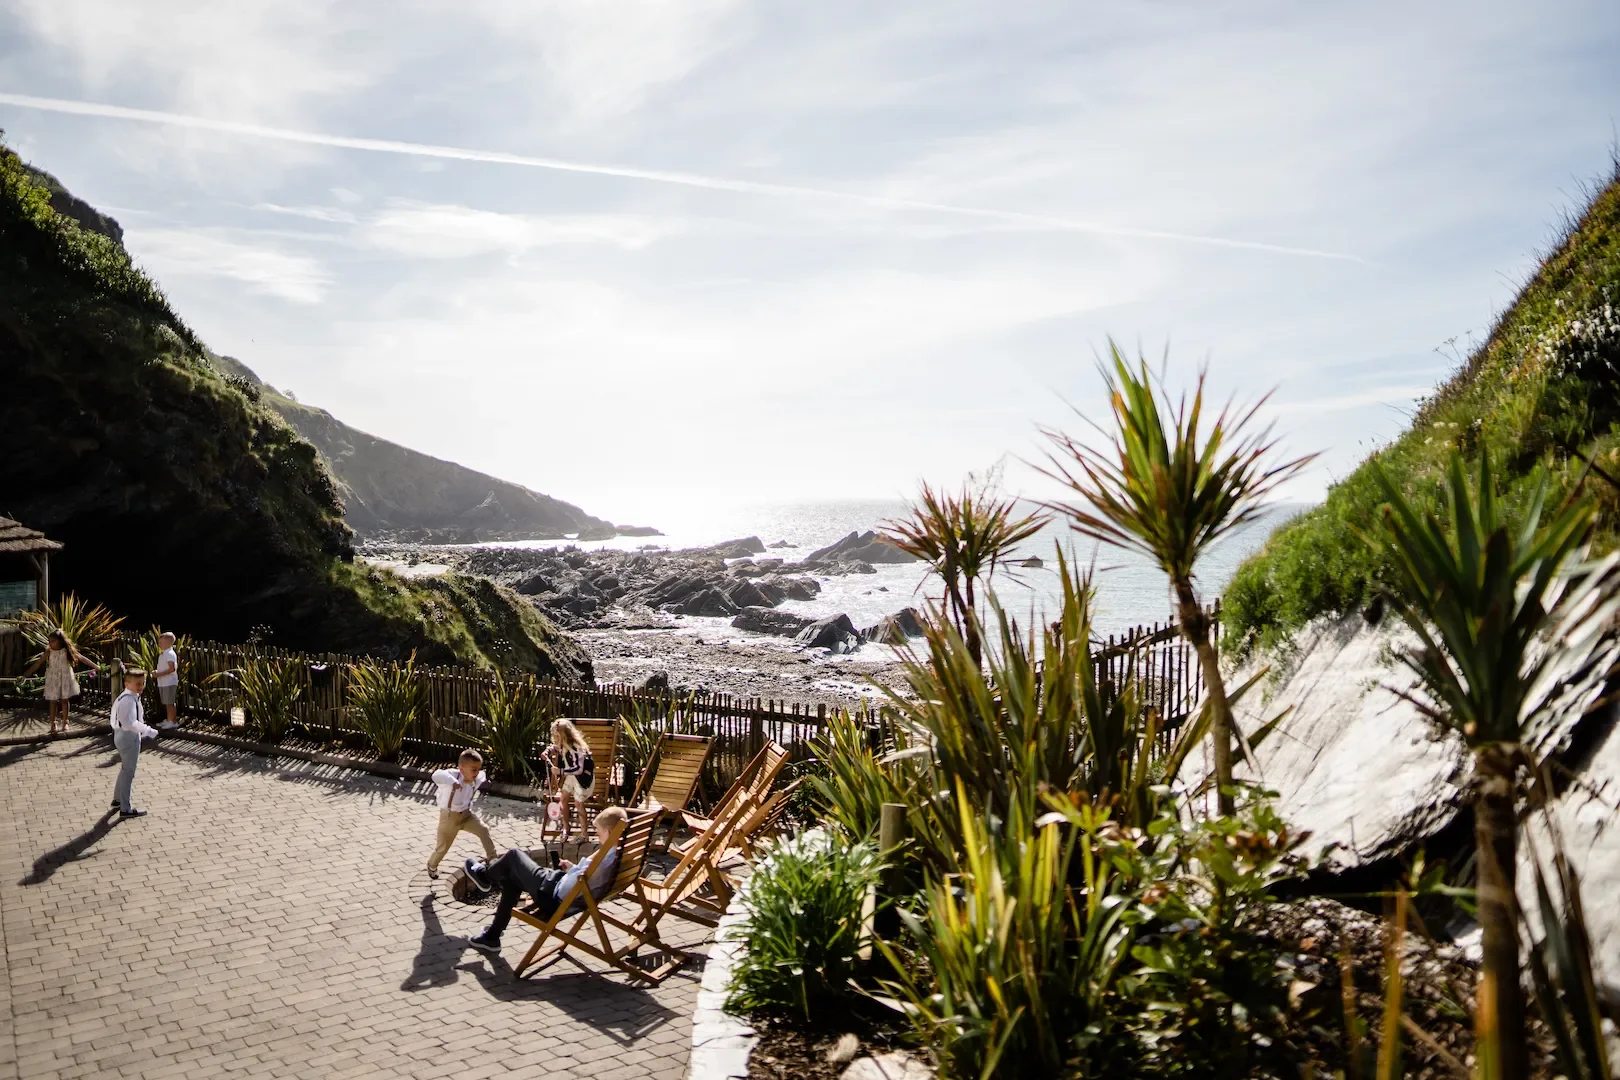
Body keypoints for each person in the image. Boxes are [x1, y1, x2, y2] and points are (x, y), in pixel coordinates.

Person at [463, 806, 628, 955]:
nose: (596, 834)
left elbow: (570, 888)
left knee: (513, 855)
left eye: (598, 831)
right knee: (511, 876)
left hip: (553, 896)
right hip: (566, 891)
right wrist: (571, 868)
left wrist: (560, 876)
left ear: (609, 832)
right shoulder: (617, 854)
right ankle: (493, 935)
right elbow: (585, 878)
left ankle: (484, 877)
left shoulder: (602, 861)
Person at [425, 749, 498, 879]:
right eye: (473, 769)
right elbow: (436, 775)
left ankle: (493, 859)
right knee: (443, 847)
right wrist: (453, 782)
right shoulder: (451, 775)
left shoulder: (476, 778)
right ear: (462, 768)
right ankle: (432, 865)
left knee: (483, 829)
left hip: (466, 815)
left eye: (478, 769)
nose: (476, 773)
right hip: (449, 818)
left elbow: (482, 775)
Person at [21, 629, 95, 734]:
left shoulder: (67, 650)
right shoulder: (49, 651)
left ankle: (65, 722)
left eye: (53, 641)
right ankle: (53, 723)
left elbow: (82, 658)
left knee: (64, 700)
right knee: (53, 701)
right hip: (53, 679)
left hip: (65, 677)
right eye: (49, 641)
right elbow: (38, 663)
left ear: (60, 641)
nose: (50, 643)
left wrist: (96, 667)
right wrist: (26, 675)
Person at [110, 667, 159, 818]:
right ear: (126, 684)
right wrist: (148, 731)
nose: (141, 686)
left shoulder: (129, 697)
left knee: (126, 769)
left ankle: (118, 800)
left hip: (123, 735)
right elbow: (129, 723)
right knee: (128, 772)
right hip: (128, 736)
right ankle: (126, 808)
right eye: (137, 683)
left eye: (143, 683)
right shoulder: (128, 700)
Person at [542, 719, 594, 840]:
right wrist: (547, 752)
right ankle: (566, 827)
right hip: (571, 777)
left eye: (557, 736)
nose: (555, 739)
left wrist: (560, 771)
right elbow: (555, 747)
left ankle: (584, 833)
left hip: (582, 778)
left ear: (564, 736)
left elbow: (579, 769)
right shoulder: (563, 745)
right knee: (563, 798)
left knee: (578, 803)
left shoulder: (577, 748)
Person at [152, 632, 180, 729]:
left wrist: (158, 674)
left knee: (170, 702)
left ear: (168, 643)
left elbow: (172, 668)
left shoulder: (170, 653)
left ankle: (173, 721)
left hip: (169, 682)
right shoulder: (164, 653)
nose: (159, 644)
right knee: (167, 702)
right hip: (163, 682)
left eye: (161, 642)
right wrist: (157, 672)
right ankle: (169, 719)